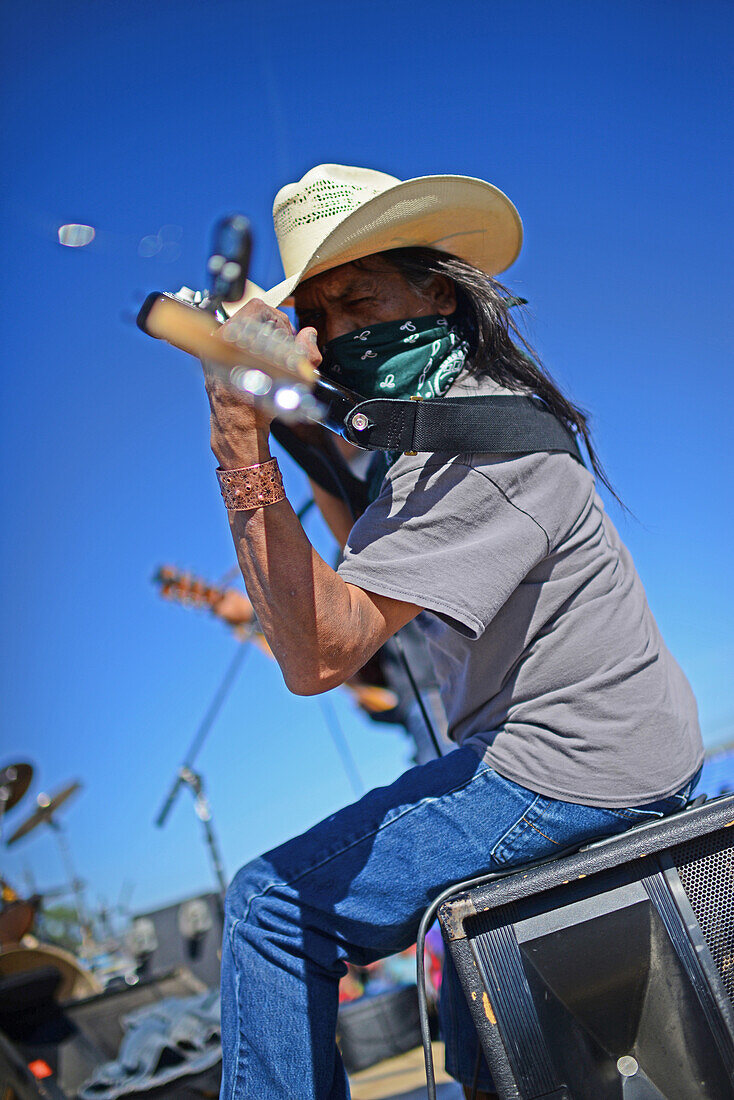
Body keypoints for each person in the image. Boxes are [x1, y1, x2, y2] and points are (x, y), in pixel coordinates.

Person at [200, 164, 703, 1100]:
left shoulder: (479, 447)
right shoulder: (445, 438)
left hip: (566, 766)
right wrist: (307, 435)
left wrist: (239, 437)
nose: (345, 330)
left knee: (272, 908)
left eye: (363, 297)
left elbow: (322, 654)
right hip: (614, 754)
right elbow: (377, 559)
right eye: (325, 314)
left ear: (435, 292)